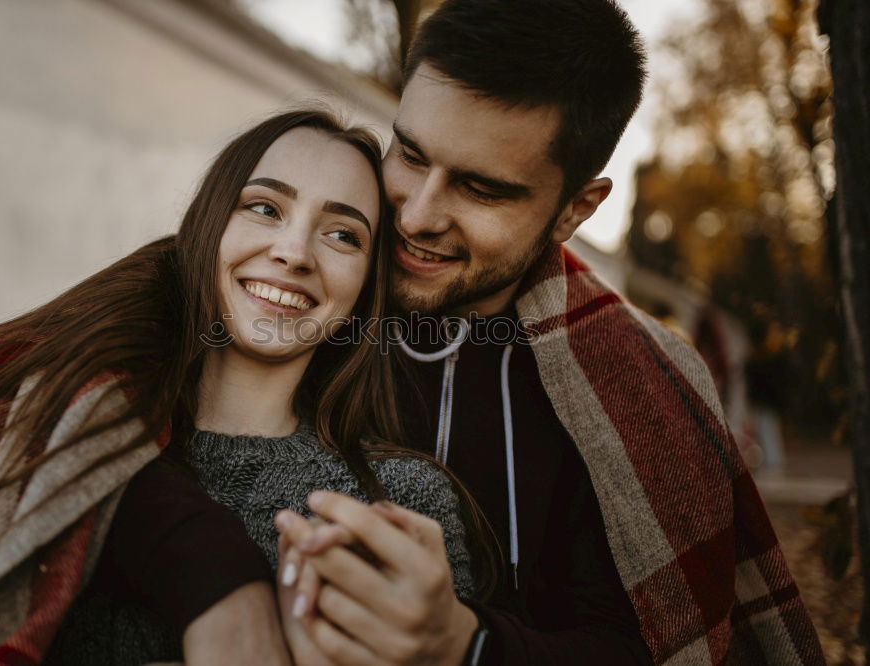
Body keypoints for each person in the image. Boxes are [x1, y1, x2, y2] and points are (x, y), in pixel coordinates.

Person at [267, 1, 825, 664]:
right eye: (410, 155)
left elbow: (647, 645)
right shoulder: (273, 277)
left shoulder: (642, 388)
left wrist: (464, 645)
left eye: (480, 189)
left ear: (575, 209)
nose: (416, 216)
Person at [0, 109, 494, 665]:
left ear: (366, 289)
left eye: (343, 235)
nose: (294, 252)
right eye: (264, 207)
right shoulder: (56, 433)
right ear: (206, 230)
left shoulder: (400, 504)